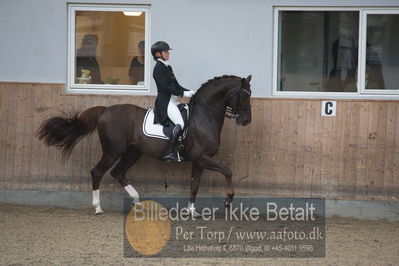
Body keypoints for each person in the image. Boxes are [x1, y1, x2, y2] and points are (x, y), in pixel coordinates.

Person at [151, 41, 195, 161]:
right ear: (158, 54)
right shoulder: (158, 69)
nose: (168, 54)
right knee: (180, 124)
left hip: (173, 100)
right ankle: (168, 153)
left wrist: (190, 92)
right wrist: (182, 94)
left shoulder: (168, 67)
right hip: (165, 103)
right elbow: (164, 88)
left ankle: (181, 147)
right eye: (165, 52)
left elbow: (176, 85)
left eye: (167, 52)